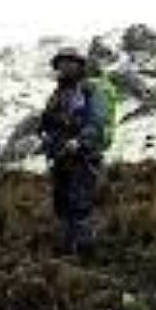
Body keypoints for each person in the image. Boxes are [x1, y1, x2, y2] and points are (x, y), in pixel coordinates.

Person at [38, 48, 113, 258]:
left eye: (69, 63)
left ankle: (85, 254)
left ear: (79, 65)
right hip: (59, 158)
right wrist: (46, 138)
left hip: (83, 157)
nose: (64, 67)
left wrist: (80, 141)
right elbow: (46, 123)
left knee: (80, 205)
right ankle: (65, 252)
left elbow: (98, 121)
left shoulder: (91, 90)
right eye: (61, 64)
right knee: (61, 206)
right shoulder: (57, 94)